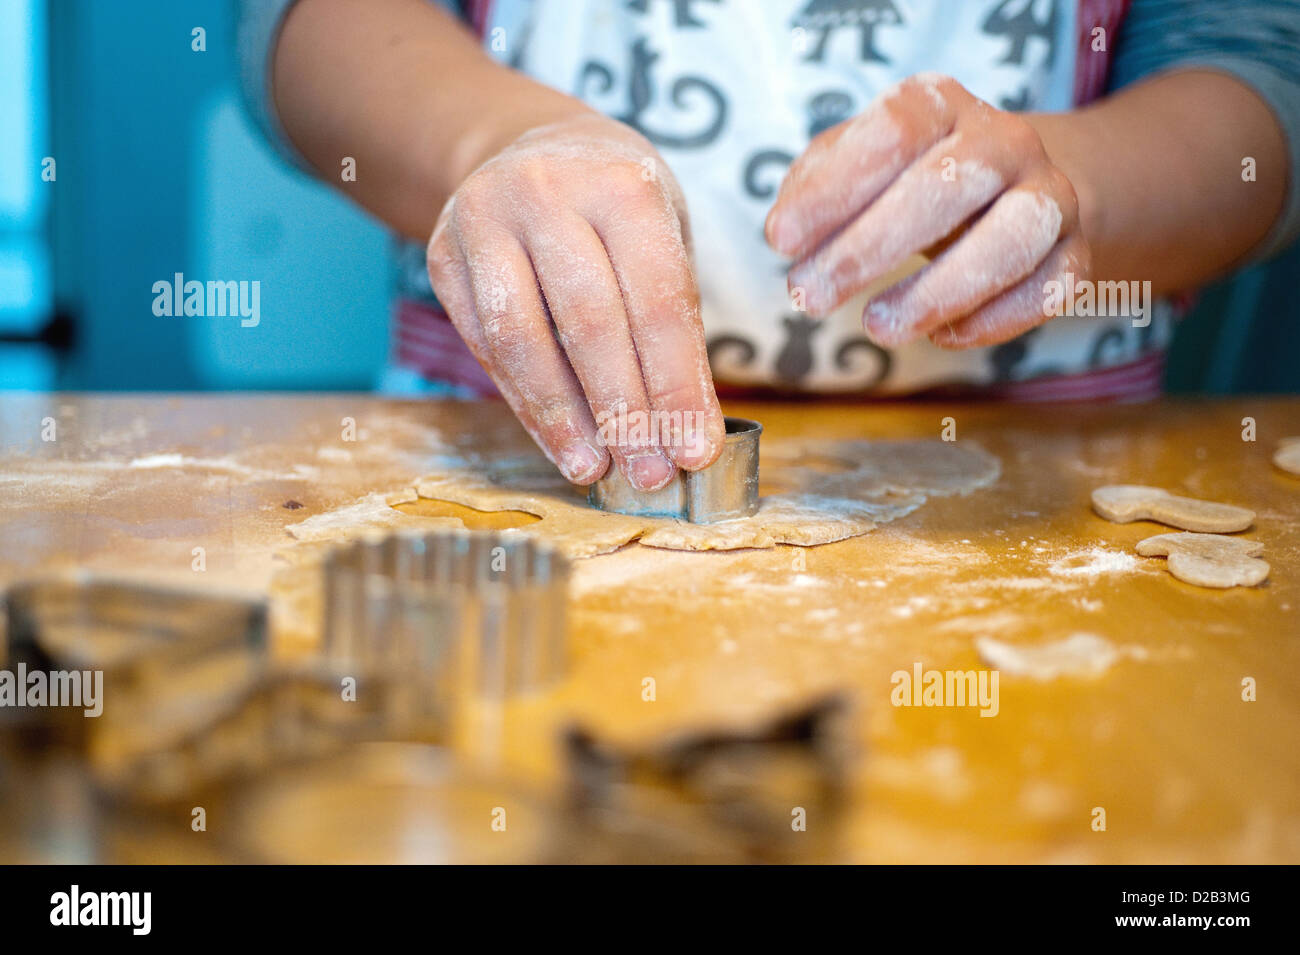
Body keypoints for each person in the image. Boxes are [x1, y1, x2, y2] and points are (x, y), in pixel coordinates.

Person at [238, 0, 1298, 491]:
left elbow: (1256, 86)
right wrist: (489, 136)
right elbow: (305, 24)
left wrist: (1080, 192)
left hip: (1044, 489)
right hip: (506, 468)